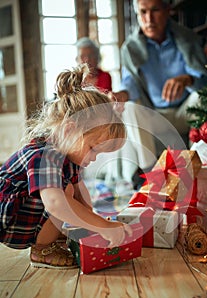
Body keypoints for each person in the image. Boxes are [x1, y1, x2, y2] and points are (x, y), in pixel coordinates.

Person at [0, 64, 132, 269]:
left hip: (25, 212)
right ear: (70, 130)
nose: (94, 158)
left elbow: (82, 195)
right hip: (9, 218)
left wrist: (95, 223)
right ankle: (42, 249)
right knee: (64, 194)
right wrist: (103, 226)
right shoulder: (45, 155)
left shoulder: (69, 156)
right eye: (93, 149)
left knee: (72, 191)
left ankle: (51, 238)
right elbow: (55, 203)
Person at [109, 0, 207, 187]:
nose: (149, 19)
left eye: (155, 10)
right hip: (155, 115)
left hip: (185, 112)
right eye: (143, 12)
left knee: (202, 96)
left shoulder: (187, 39)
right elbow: (129, 83)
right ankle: (150, 174)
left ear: (167, 11)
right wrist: (121, 95)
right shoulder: (130, 48)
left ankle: (199, 169)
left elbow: (206, 81)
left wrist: (187, 79)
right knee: (131, 108)